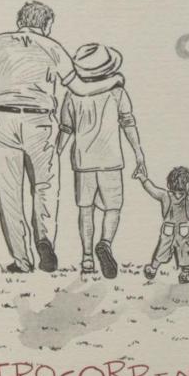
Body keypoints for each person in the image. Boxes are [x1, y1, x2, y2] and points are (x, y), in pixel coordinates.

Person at [0, 1, 74, 273]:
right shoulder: (53, 47)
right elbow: (76, 85)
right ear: (46, 24)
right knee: (45, 186)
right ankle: (44, 240)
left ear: (20, 21)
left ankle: (22, 259)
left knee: (9, 191)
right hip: (41, 121)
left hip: (3, 119)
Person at [56, 42, 147, 278]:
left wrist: (55, 153)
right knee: (113, 208)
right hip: (111, 159)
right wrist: (138, 153)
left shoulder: (72, 94)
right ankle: (105, 243)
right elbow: (128, 123)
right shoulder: (117, 92)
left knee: (85, 209)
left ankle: (87, 258)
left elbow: (65, 129)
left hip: (82, 161)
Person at [140, 164, 189, 284]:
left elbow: (152, 190)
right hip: (183, 233)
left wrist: (143, 178)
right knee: (185, 253)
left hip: (168, 231)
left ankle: (152, 269)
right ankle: (185, 274)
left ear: (169, 184)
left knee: (161, 250)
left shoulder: (165, 196)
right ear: (187, 185)